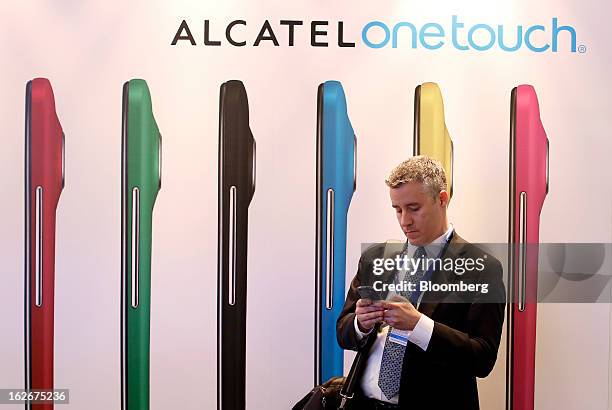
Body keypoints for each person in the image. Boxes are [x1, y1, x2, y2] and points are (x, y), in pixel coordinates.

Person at [336, 156, 505, 410]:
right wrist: (361, 323)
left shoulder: (482, 268)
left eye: (414, 208)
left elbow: (482, 358)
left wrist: (419, 326)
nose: (405, 221)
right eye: (397, 209)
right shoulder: (375, 259)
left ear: (442, 199)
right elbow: (343, 332)